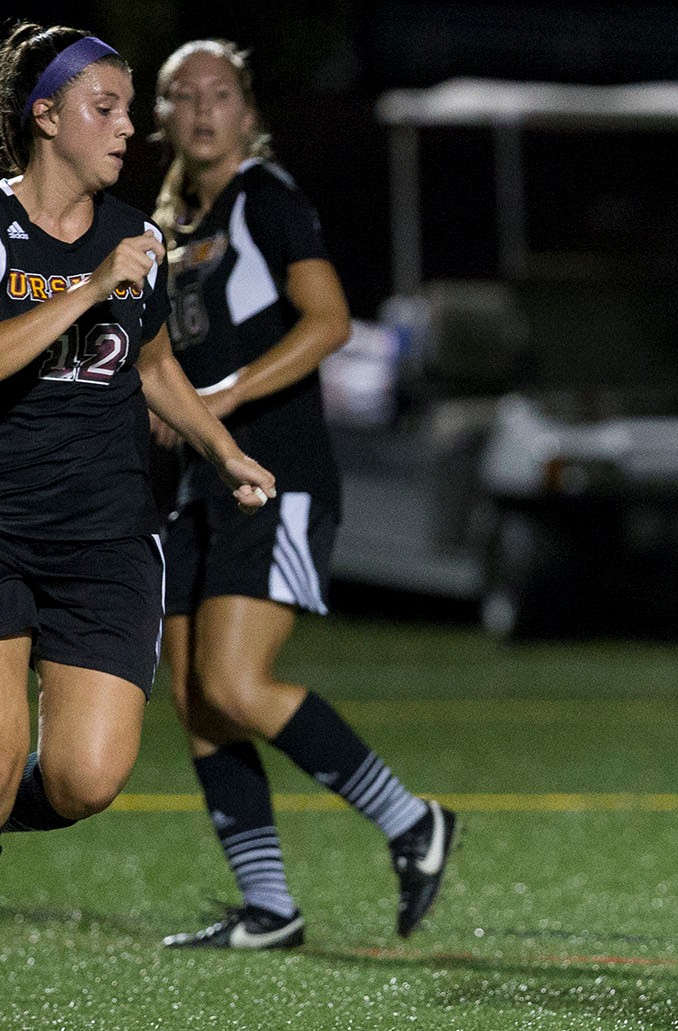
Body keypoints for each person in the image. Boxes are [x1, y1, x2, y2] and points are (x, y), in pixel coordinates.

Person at [146, 39, 457, 950]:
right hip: (199, 483)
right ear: (160, 116)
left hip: (274, 475)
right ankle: (269, 907)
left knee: (236, 685)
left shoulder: (267, 199)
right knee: (197, 701)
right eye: (181, 97)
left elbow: (327, 323)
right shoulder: (166, 225)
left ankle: (412, 822)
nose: (202, 111)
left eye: (220, 94)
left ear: (247, 111)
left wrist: (225, 398)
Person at [0, 24, 276, 846]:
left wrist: (223, 452)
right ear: (47, 117)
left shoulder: (137, 239)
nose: (129, 127)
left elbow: (154, 370)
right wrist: (87, 290)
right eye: (106, 108)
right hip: (1, 527)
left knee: (86, 779)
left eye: (127, 110)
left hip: (105, 536)